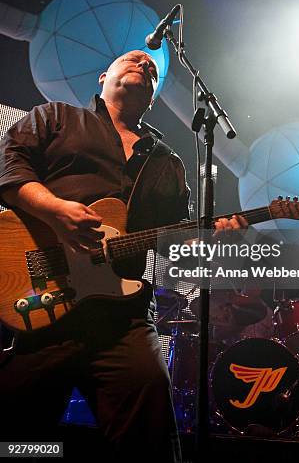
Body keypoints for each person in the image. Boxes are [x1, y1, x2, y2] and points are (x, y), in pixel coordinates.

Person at [0, 50, 247, 461]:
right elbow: (8, 167)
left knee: (149, 435)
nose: (145, 65)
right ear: (103, 77)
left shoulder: (168, 163)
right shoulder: (57, 117)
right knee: (16, 441)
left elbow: (174, 249)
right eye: (134, 59)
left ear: (152, 98)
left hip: (124, 317)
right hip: (47, 305)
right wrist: (54, 210)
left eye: (152, 69)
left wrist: (210, 239)